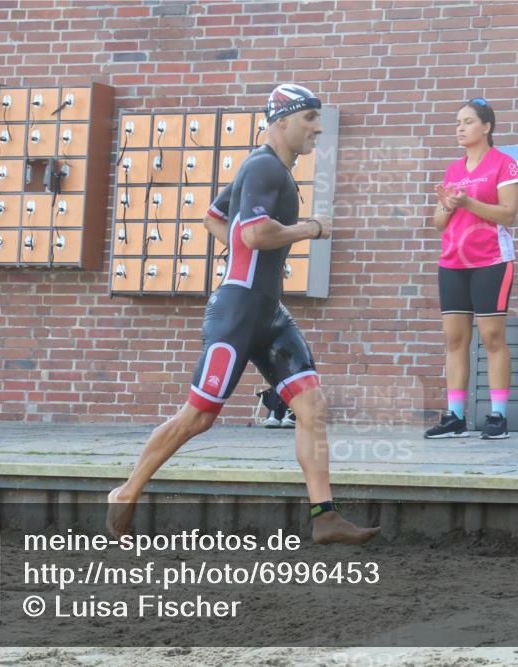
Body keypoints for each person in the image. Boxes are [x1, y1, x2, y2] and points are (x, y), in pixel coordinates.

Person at [108, 84, 380, 545]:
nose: (317, 128)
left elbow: (215, 219)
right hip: (237, 313)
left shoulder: (270, 171)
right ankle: (126, 491)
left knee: (311, 407)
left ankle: (325, 517)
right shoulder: (264, 167)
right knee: (198, 417)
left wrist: (248, 258)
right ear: (282, 123)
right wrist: (310, 228)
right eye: (309, 118)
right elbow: (254, 234)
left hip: (268, 311)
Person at [425, 98, 518, 440]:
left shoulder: (504, 164)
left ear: (487, 127)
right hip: (452, 262)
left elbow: (508, 214)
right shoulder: (453, 170)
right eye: (457, 122)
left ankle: (498, 416)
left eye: (467, 122)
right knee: (455, 339)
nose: (460, 128)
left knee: (493, 337)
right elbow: (438, 222)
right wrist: (449, 206)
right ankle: (455, 416)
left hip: (492, 261)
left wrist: (468, 201)